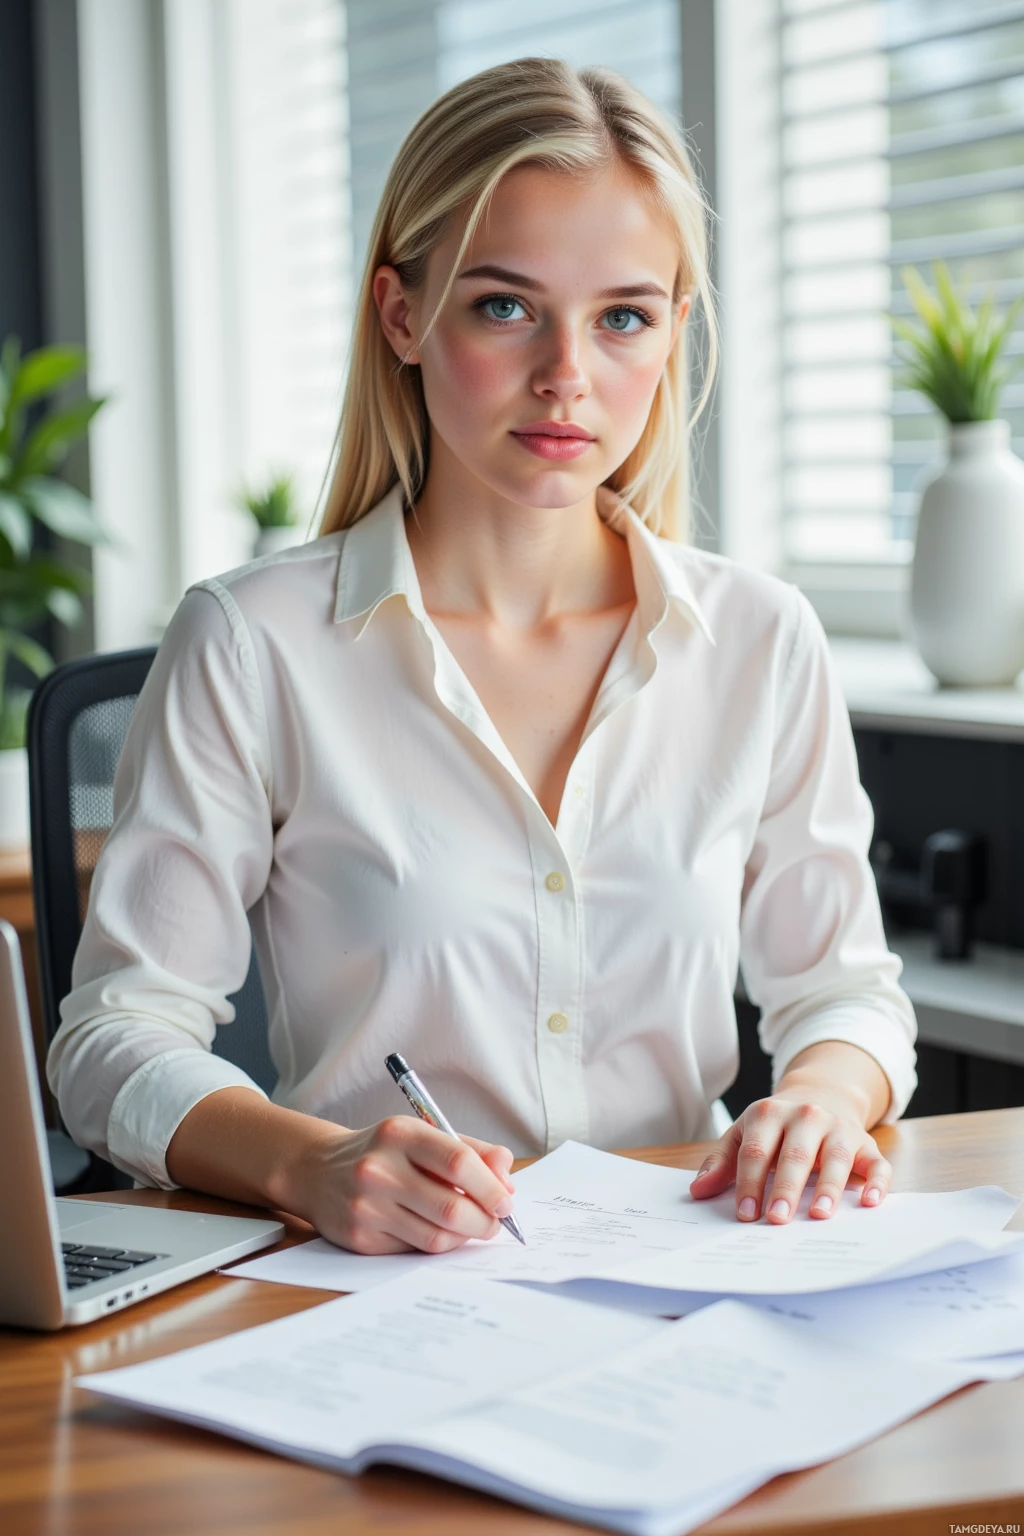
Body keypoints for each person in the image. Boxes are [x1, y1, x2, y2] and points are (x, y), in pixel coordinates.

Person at [49, 58, 916, 1257]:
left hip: (694, 1268)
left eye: (624, 315)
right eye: (504, 306)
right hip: (384, 1286)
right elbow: (114, 1038)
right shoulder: (255, 644)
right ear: (402, 314)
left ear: (672, 332)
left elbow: (844, 994)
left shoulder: (760, 640)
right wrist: (315, 1165)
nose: (568, 373)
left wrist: (822, 1099)